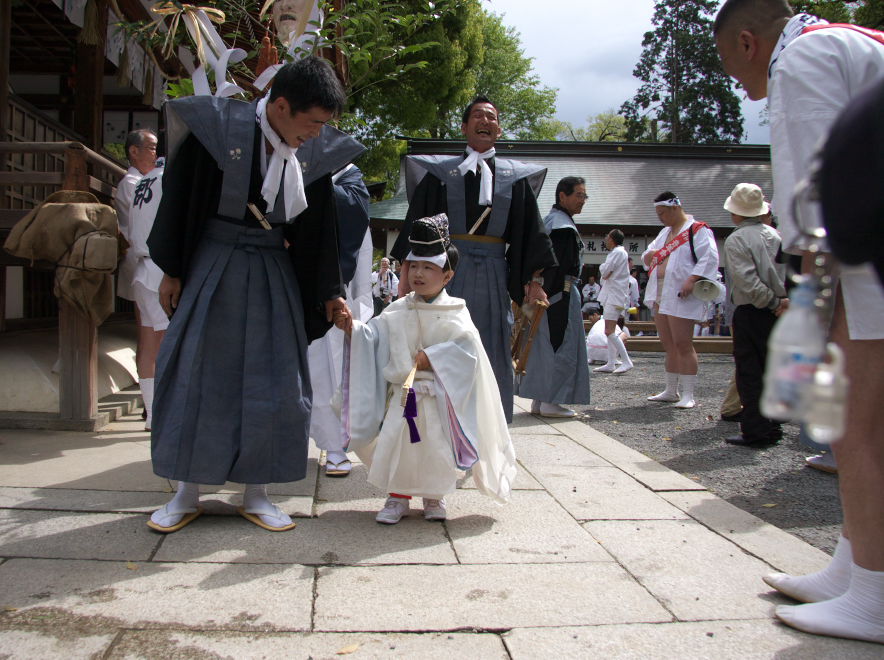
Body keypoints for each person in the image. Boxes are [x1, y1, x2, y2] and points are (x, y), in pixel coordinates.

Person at [714, 0, 884, 643]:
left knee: (857, 422)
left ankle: (873, 591)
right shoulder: (845, 43)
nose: (736, 81)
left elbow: (823, 195)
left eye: (731, 65)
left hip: (863, 261)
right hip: (868, 253)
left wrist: (813, 301)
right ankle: (856, 564)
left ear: (750, 43)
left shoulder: (803, 60)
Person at [146, 56, 360, 533]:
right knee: (197, 375)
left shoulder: (312, 152)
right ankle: (186, 492)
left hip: (272, 270)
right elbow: (180, 197)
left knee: (275, 381)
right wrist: (174, 271)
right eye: (312, 123)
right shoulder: (216, 128)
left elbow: (319, 228)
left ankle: (257, 493)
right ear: (281, 106)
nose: (316, 134)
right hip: (211, 265)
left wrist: (329, 291)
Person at [335, 214, 517, 524]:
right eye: (413, 266)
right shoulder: (397, 309)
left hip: (436, 398)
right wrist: (354, 329)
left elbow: (467, 352)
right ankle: (397, 497)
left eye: (428, 268)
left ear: (447, 276)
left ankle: (434, 497)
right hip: (404, 398)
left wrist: (433, 357)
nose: (418, 274)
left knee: (435, 449)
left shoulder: (456, 313)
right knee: (399, 447)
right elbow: (375, 336)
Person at [392, 96, 556, 423]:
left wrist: (534, 282)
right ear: (464, 127)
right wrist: (406, 276)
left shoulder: (514, 178)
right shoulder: (440, 174)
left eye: (492, 117)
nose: (485, 121)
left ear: (499, 128)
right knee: (440, 341)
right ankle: (437, 424)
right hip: (446, 271)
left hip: (495, 273)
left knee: (492, 344)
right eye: (478, 116)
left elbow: (529, 233)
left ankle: (487, 426)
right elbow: (417, 226)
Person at [308, 163, 372, 478]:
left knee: (327, 369)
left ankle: (335, 444)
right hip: (286, 272)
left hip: (333, 284)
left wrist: (313, 185)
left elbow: (355, 215)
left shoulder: (349, 174)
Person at [515, 176, 590, 418]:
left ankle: (540, 400)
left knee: (542, 345)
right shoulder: (562, 228)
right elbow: (557, 268)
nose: (583, 201)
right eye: (578, 195)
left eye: (584, 196)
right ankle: (550, 401)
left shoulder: (551, 222)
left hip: (548, 294)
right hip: (559, 295)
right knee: (560, 345)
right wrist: (558, 296)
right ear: (562, 196)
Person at [719, 183, 788, 448]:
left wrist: (770, 302)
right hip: (780, 309)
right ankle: (773, 426)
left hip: (753, 309)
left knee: (750, 371)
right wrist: (780, 302)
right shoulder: (775, 235)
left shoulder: (737, 239)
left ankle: (755, 430)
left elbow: (747, 280)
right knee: (773, 370)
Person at [642, 192, 719, 409]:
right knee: (668, 344)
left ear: (675, 207)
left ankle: (688, 393)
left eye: (663, 213)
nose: (661, 218)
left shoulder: (698, 230)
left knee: (683, 343)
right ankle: (670, 389)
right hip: (660, 290)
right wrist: (650, 256)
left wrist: (692, 279)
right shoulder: (664, 232)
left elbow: (710, 257)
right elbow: (649, 255)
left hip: (682, 292)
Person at [126, 159, 169, 431]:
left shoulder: (144, 180)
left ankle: (153, 414)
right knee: (167, 344)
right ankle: (161, 413)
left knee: (148, 343)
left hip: (142, 268)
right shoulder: (170, 179)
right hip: (161, 270)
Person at [114, 129, 157, 392]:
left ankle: (150, 400)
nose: (155, 153)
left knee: (147, 332)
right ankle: (150, 402)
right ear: (134, 151)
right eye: (151, 148)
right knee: (147, 333)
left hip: (145, 263)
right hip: (142, 260)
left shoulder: (143, 181)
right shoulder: (132, 184)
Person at [594, 229, 634, 374]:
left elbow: (605, 272)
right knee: (609, 331)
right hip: (613, 295)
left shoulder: (617, 253)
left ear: (612, 239)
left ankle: (626, 360)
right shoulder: (618, 253)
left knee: (609, 330)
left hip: (614, 295)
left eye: (607, 236)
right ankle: (611, 362)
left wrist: (602, 268)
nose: (605, 239)